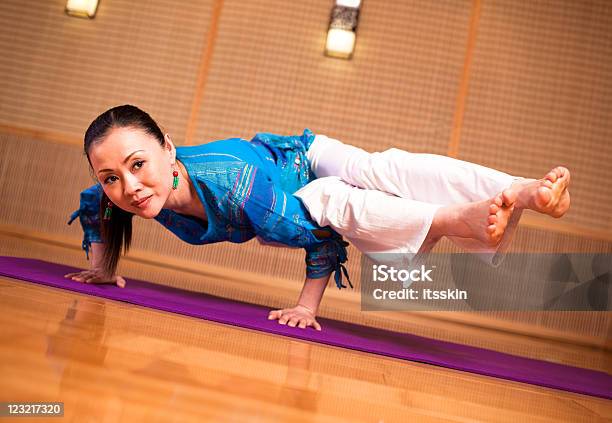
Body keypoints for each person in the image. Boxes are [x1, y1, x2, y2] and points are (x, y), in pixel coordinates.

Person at [64, 105, 571, 331]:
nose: (128, 187)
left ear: (168, 149)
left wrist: (307, 307)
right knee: (357, 187)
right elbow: (94, 205)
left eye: (137, 165)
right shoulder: (114, 193)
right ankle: (476, 207)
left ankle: (509, 194)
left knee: (355, 187)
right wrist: (102, 264)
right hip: (278, 174)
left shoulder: (238, 189)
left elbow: (322, 239)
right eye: (111, 176)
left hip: (303, 161)